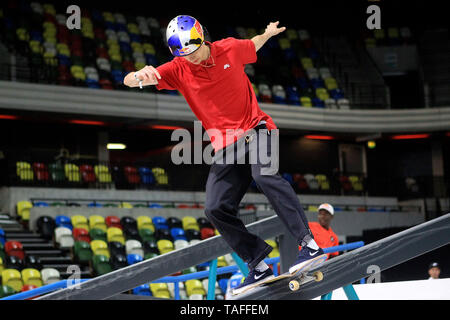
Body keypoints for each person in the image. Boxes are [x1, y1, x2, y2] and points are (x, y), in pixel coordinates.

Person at [124, 15, 326, 294]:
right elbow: (128, 81)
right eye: (182, 54)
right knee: (215, 207)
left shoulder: (228, 49)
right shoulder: (177, 68)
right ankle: (257, 263)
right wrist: (139, 76)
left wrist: (267, 33)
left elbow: (253, 45)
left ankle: (309, 244)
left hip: (257, 129)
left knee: (265, 176)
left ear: (202, 39)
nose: (190, 59)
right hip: (225, 148)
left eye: (193, 51)